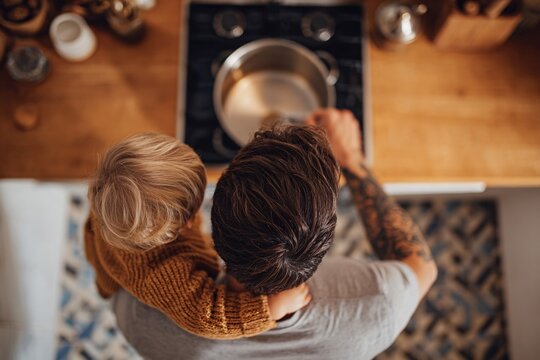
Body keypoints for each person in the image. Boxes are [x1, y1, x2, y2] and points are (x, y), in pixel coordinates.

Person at [112, 109, 438, 359]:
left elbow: (115, 276)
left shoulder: (143, 317)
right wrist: (351, 160)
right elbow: (422, 266)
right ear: (325, 236)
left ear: (212, 218)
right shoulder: (378, 305)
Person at [84, 132, 311, 339]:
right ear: (181, 226)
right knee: (108, 280)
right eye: (192, 211)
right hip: (115, 263)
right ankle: (106, 290)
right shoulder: (167, 277)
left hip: (102, 241)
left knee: (103, 259)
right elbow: (207, 317)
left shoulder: (111, 203)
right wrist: (270, 309)